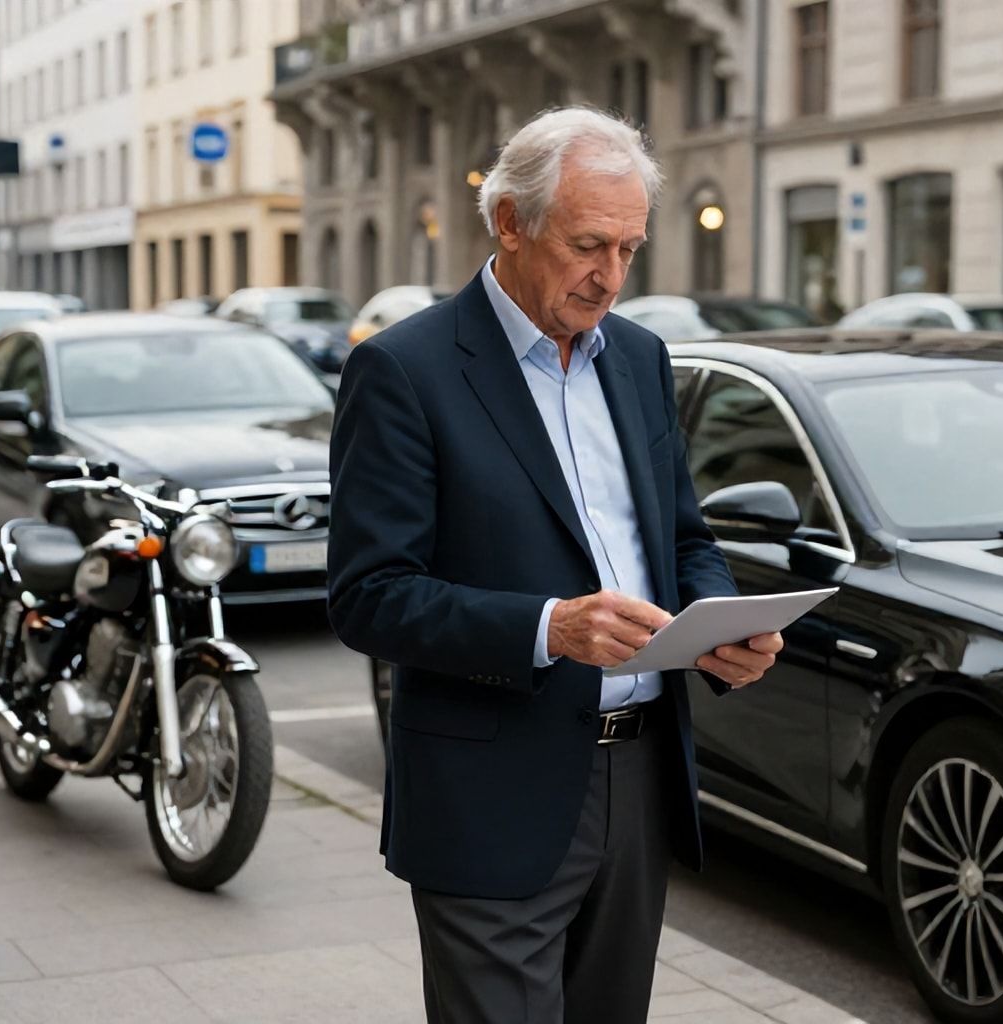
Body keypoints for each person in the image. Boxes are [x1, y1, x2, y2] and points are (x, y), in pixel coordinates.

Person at [326, 106, 785, 1024]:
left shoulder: (641, 359)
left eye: (628, 249)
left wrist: (719, 623)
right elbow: (369, 597)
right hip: (489, 793)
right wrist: (549, 628)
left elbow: (684, 539)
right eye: (587, 245)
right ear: (511, 223)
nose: (609, 276)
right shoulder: (406, 370)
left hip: (640, 779)